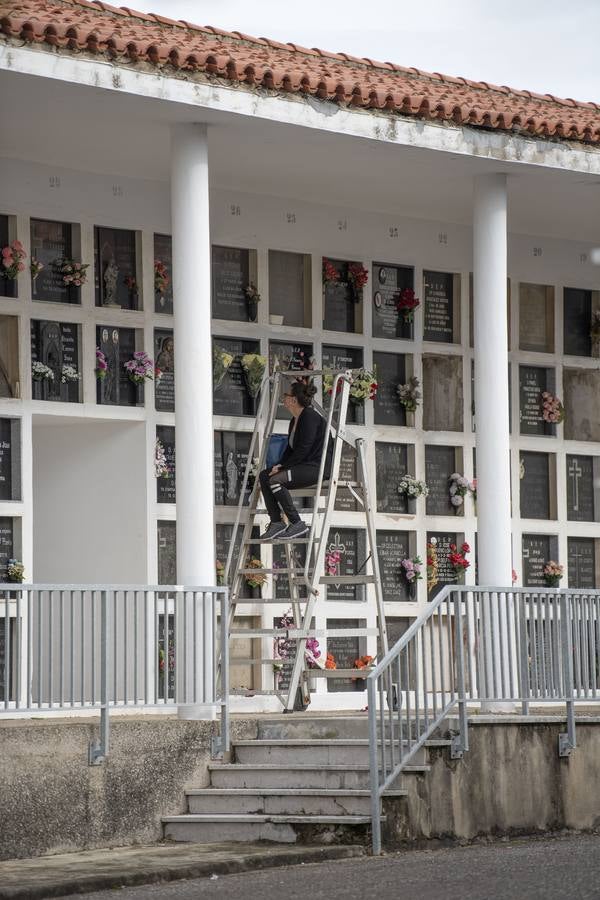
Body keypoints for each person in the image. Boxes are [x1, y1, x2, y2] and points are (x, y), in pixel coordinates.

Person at [259, 380, 330, 541]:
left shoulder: (310, 416)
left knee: (276, 480)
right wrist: (279, 464)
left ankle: (297, 522)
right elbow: (290, 449)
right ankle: (276, 522)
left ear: (293, 399)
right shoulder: (295, 420)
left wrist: (284, 467)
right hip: (303, 465)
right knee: (264, 476)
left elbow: (304, 448)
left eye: (286, 395)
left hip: (316, 467)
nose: (283, 398)